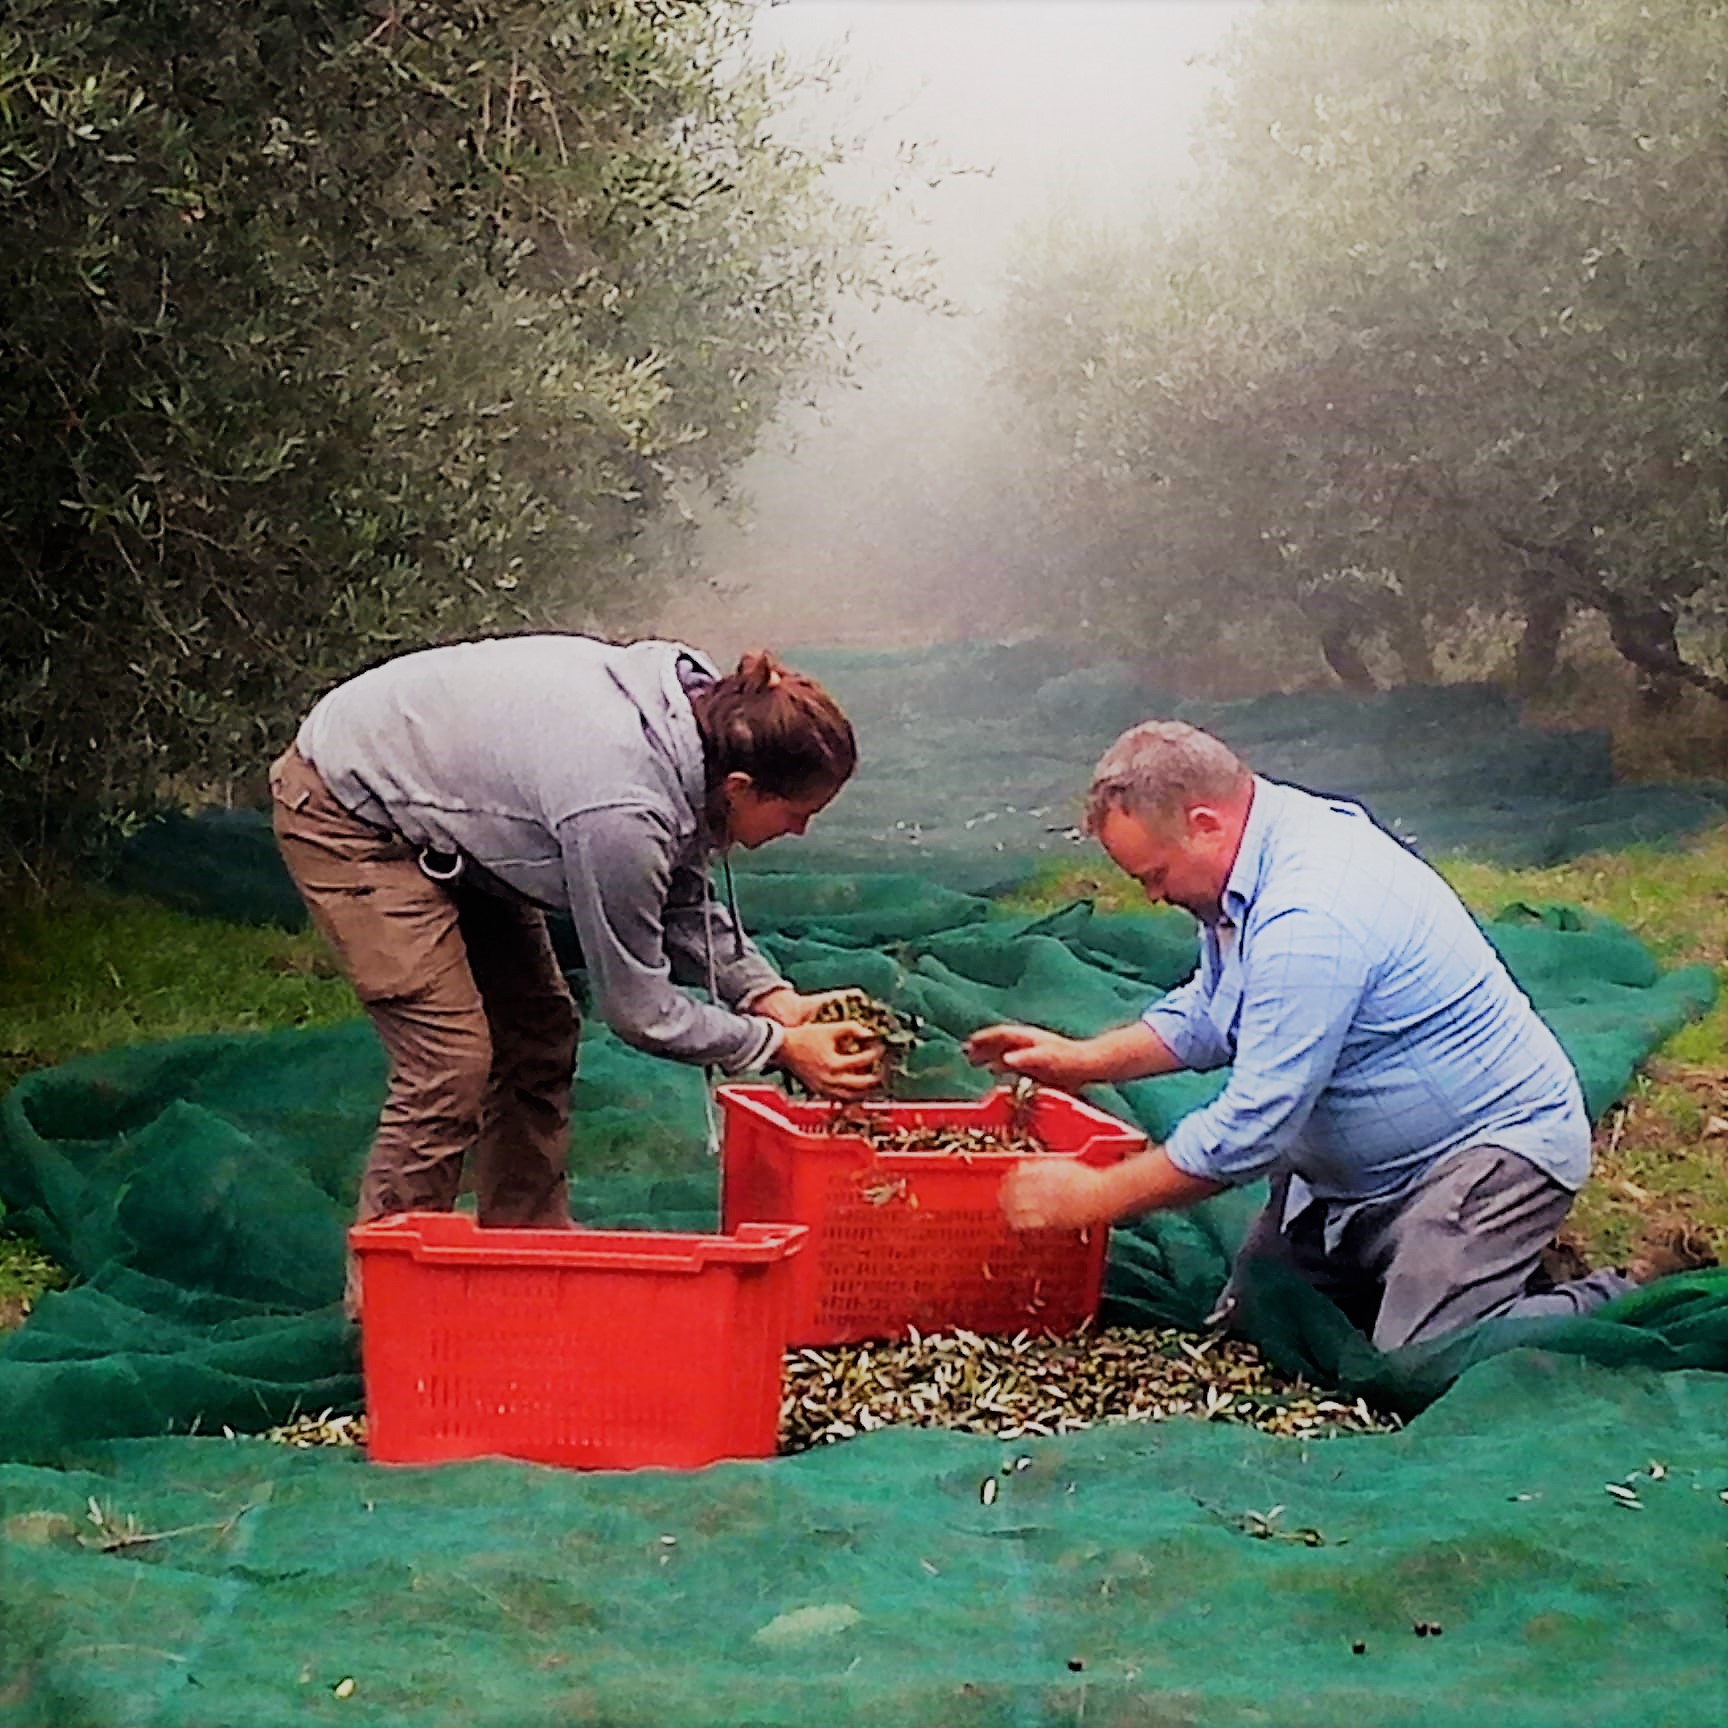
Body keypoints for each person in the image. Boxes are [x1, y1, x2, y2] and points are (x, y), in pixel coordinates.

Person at [966, 720, 1645, 1352]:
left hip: (1478, 1155)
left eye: (1154, 876)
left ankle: (1618, 1294)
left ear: (1204, 823)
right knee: (1260, 1326)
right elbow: (1213, 1008)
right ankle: (1479, 1270)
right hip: (1351, 1184)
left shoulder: (1310, 911)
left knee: (1419, 1356)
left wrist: (1092, 1198)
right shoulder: (1250, 858)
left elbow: (1254, 1127)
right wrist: (1082, 1061)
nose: (1151, 897)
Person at [270, 634, 882, 1292]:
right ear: (739, 787)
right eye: (796, 813)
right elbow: (641, 1011)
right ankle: (395, 1303)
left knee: (538, 1031)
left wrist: (769, 996)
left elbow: (677, 892)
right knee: (449, 1065)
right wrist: (779, 1047)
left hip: (451, 806)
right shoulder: (620, 810)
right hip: (352, 810)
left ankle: (526, 1249)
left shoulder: (708, 727)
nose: (800, 833)